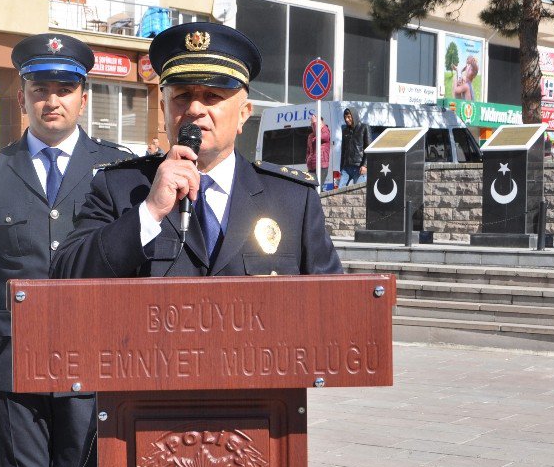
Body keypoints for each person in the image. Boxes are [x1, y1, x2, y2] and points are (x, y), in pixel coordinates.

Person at [0, 32, 129, 467]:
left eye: (64, 87)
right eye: (40, 88)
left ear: (83, 96)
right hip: (12, 368)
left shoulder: (115, 173)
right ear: (23, 96)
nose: (51, 100)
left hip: (90, 365)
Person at [51, 21, 342, 279]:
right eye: (183, 96)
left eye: (212, 96)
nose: (194, 109)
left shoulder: (292, 200)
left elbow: (334, 306)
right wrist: (149, 212)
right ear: (164, 110)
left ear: (244, 114)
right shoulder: (120, 188)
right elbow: (65, 275)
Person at [338, 107, 370, 187]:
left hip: (359, 167)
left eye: (349, 117)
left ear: (354, 116)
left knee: (359, 190)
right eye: (345, 117)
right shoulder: (345, 130)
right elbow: (343, 149)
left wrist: (365, 165)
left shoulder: (364, 127)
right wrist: (341, 167)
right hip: (346, 167)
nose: (347, 119)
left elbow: (368, 148)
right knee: (338, 190)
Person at [305, 112, 330, 183]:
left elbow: (319, 136)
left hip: (321, 165)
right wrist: (307, 160)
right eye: (312, 124)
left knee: (318, 186)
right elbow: (308, 150)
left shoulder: (326, 132)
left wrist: (315, 122)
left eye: (315, 123)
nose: (313, 125)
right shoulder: (310, 136)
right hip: (311, 166)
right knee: (311, 186)